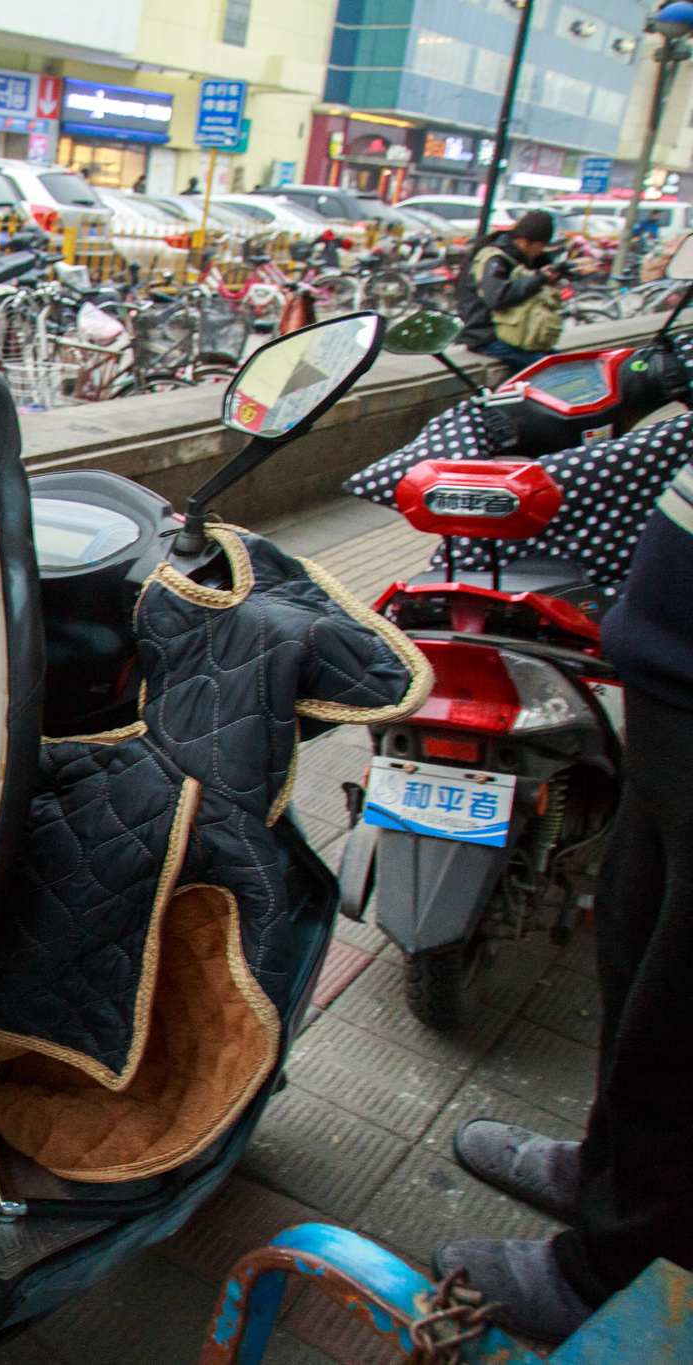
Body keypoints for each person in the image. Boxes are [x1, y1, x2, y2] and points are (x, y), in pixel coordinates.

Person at [434, 460, 693, 1342]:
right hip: (673, 680)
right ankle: (608, 1172)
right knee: (634, 948)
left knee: (683, 1015)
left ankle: (614, 1268)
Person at [456, 208, 564, 374]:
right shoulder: (494, 258)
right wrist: (539, 278)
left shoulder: (524, 257)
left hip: (515, 335)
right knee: (553, 372)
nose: (541, 251)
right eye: (541, 246)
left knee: (566, 364)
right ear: (527, 241)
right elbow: (497, 297)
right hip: (487, 336)